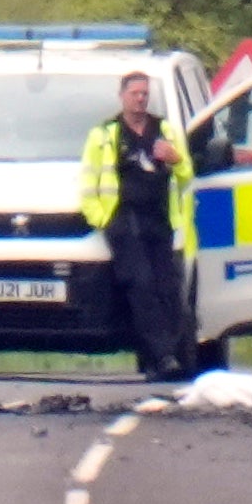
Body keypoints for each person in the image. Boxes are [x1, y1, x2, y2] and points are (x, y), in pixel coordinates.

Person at [76, 70, 196, 379]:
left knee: (166, 287)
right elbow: (88, 182)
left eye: (145, 94)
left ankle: (162, 357)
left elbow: (187, 176)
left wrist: (175, 159)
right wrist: (102, 218)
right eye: (135, 94)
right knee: (140, 285)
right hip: (124, 220)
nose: (140, 99)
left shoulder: (165, 130)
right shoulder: (105, 134)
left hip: (159, 219)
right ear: (122, 96)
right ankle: (163, 356)